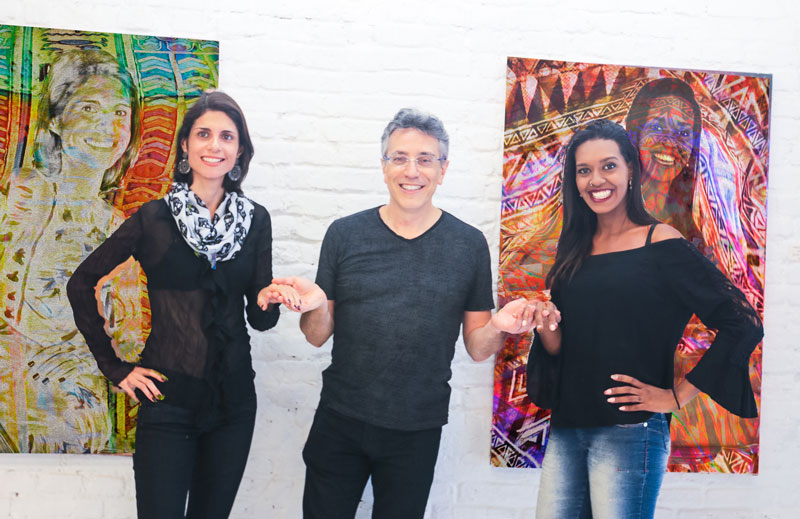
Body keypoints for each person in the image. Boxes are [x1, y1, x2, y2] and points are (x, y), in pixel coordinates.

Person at [273, 108, 536, 519]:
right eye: (399, 158)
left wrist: (499, 326)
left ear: (442, 170)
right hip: (340, 419)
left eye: (425, 159)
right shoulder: (344, 234)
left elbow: (478, 347)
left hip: (416, 428)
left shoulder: (468, 245)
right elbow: (316, 335)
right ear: (384, 166)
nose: (412, 171)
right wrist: (318, 305)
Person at [67, 90, 298, 518]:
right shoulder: (153, 218)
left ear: (240, 151)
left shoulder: (256, 220)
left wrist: (267, 299)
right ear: (186, 145)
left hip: (233, 404)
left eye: (227, 137)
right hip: (168, 401)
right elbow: (81, 283)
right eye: (204, 134)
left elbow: (259, 321)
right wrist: (115, 368)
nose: (215, 145)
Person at [527, 119, 762, 519]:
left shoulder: (661, 242)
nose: (596, 180)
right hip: (567, 426)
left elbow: (742, 322)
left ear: (631, 170)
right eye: (584, 170)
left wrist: (675, 396)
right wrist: (545, 324)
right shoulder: (575, 248)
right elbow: (567, 344)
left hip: (630, 432)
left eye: (608, 166)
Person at [0, 49, 142, 453]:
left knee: (75, 422)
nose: (107, 126)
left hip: (75, 401)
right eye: (89, 107)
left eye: (119, 112)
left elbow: (129, 340)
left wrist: (88, 354)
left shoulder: (120, 230)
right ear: (56, 119)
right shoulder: (13, 199)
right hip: (8, 384)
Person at [624, 77, 703, 246]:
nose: (670, 142)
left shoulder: (692, 234)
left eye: (683, 133)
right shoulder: (607, 214)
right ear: (636, 134)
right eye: (657, 127)